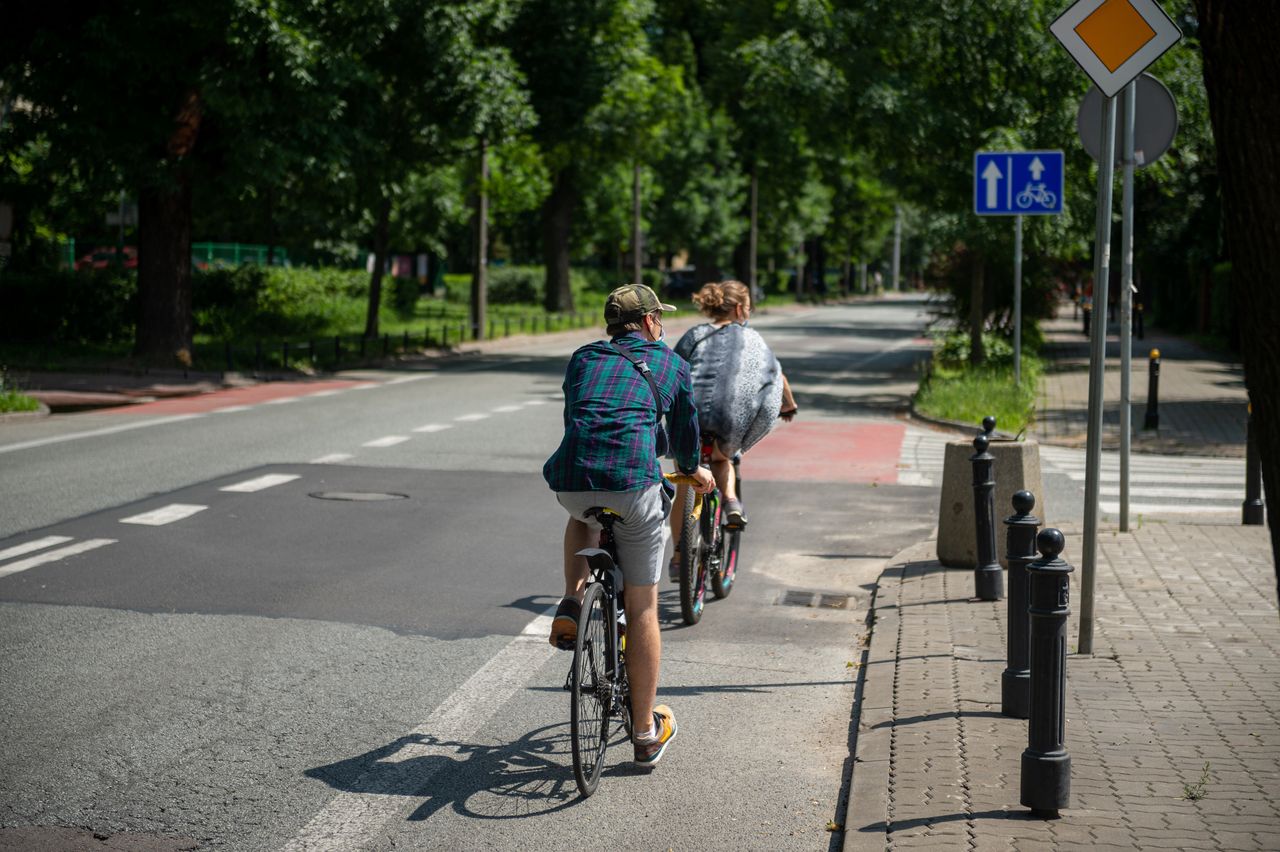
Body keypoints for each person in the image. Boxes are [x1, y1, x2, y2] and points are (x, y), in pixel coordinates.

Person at [542, 283, 714, 767]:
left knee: (582, 515)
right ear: (649, 322)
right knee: (642, 607)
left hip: (573, 478)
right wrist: (692, 467)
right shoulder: (671, 364)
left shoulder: (583, 358)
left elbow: (579, 416)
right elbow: (684, 434)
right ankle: (643, 733)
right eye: (661, 318)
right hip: (633, 484)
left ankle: (573, 600)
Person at [669, 280, 795, 566]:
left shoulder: (694, 334)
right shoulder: (752, 339)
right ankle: (730, 501)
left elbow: (674, 367)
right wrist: (789, 405)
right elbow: (776, 375)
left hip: (691, 415)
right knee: (722, 458)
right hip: (729, 417)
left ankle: (679, 558)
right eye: (749, 307)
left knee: (686, 484)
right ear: (739, 309)